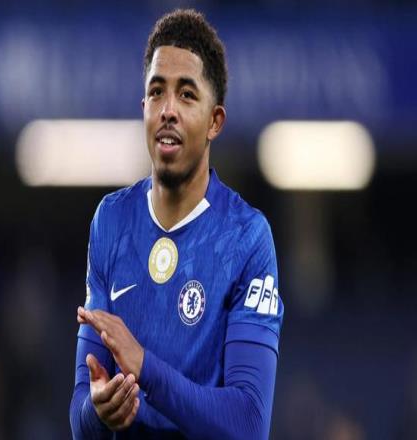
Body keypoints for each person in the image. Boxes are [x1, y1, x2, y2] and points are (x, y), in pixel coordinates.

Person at [70, 9, 284, 439]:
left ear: (214, 121)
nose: (167, 109)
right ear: (144, 109)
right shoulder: (111, 221)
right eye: (157, 92)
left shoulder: (245, 237)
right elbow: (80, 417)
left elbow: (249, 423)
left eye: (186, 95)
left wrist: (145, 368)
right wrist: (100, 410)